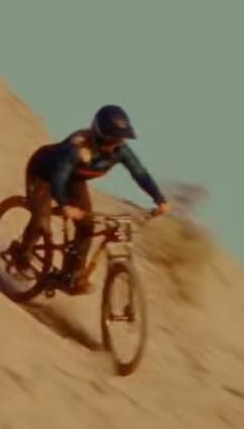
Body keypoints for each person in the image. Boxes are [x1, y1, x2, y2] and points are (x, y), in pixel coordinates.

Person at [21, 104, 171, 293]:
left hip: (73, 180)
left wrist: (159, 199)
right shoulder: (78, 147)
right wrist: (65, 205)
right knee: (41, 220)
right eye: (113, 139)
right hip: (44, 173)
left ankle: (71, 276)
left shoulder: (121, 151)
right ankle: (22, 254)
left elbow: (139, 173)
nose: (117, 144)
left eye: (121, 139)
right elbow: (58, 177)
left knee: (87, 226)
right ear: (101, 135)